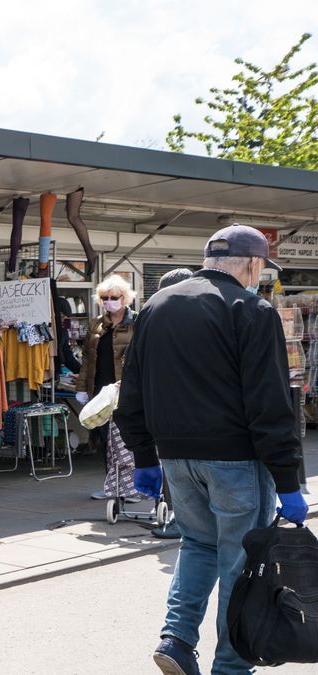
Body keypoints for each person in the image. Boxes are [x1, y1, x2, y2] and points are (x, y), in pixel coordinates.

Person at [114, 225, 307, 675]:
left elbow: (132, 393)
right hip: (236, 458)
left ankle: (177, 638)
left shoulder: (157, 306)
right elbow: (270, 404)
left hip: (175, 458)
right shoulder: (251, 309)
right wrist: (288, 480)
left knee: (197, 544)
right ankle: (231, 666)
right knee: (242, 564)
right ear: (254, 264)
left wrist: (144, 456)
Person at [76, 275, 139, 501]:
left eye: (114, 297)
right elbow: (87, 359)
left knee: (128, 438)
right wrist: (82, 387)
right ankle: (112, 485)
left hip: (127, 389)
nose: (109, 301)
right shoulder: (97, 324)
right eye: (104, 298)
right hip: (101, 389)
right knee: (105, 439)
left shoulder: (137, 322)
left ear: (125, 298)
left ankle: (132, 487)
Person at [147, 268, 194, 541]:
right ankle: (182, 518)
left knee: (175, 469)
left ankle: (181, 519)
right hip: (185, 410)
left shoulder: (154, 319)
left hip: (171, 410)